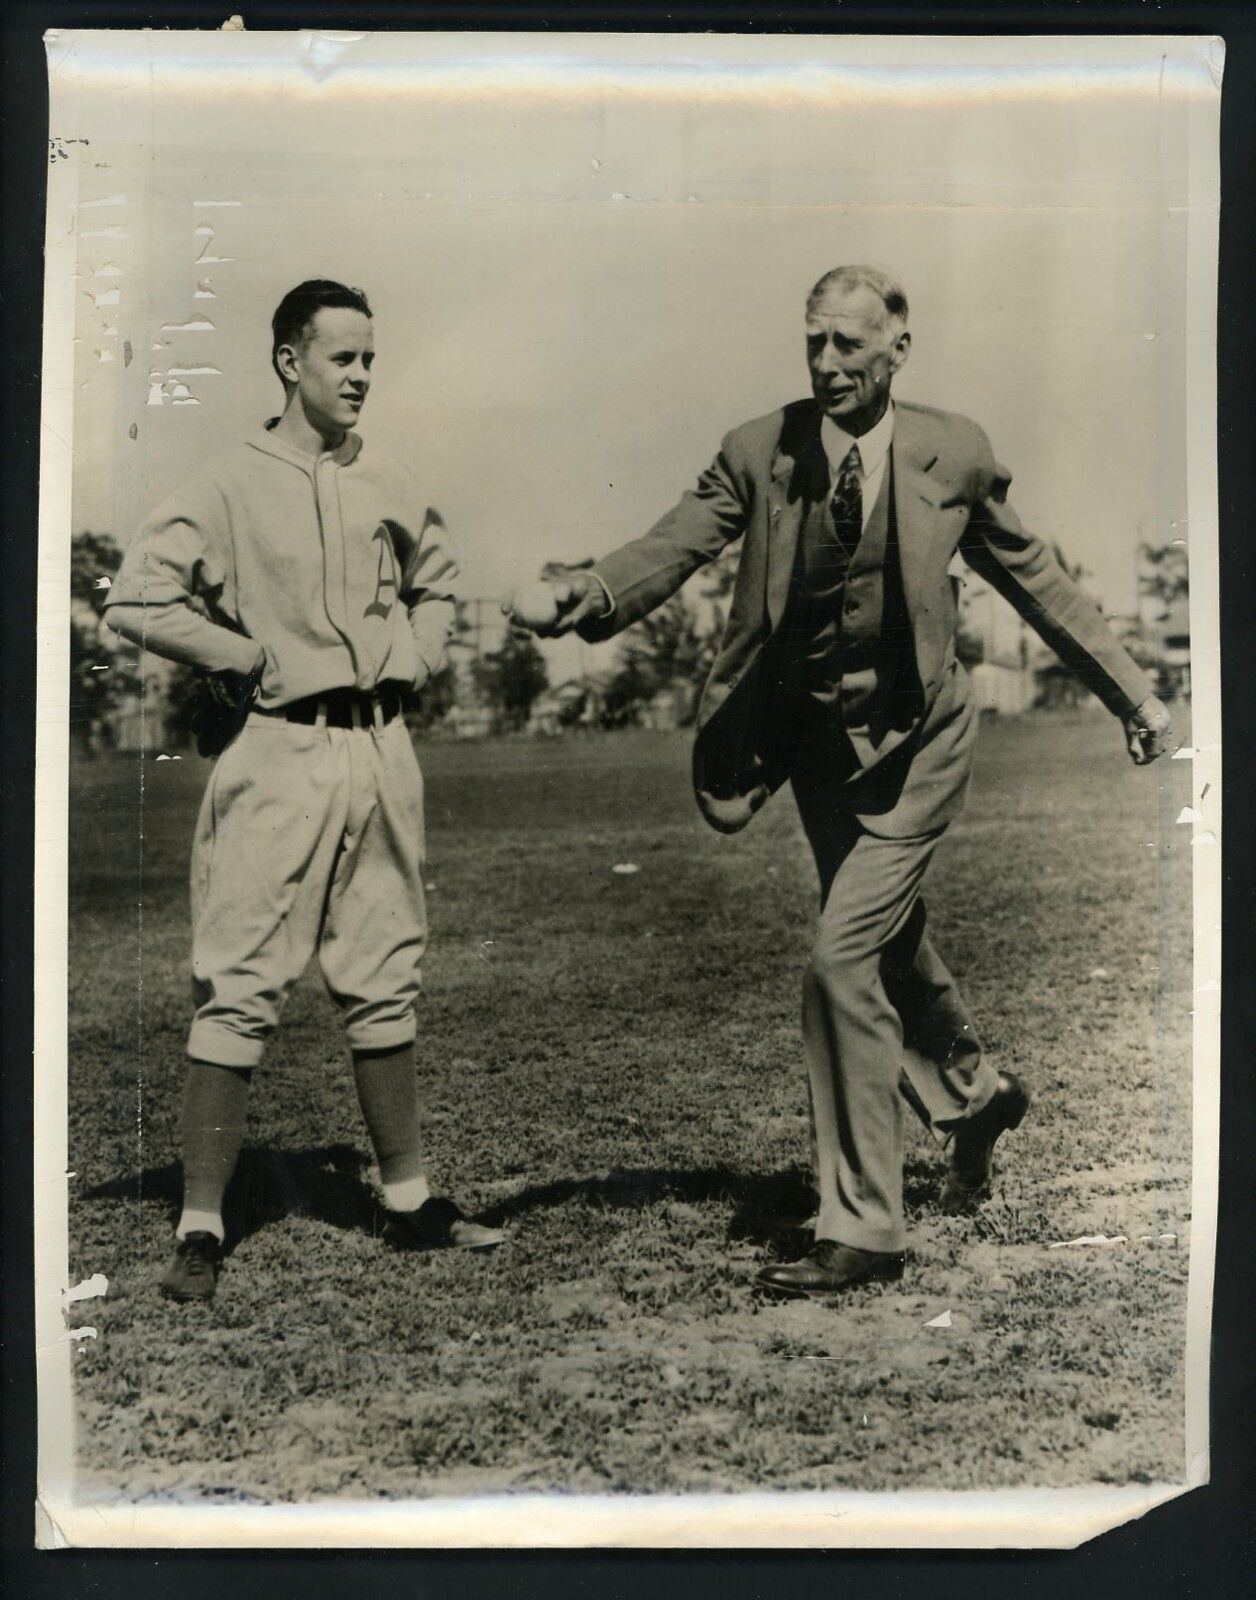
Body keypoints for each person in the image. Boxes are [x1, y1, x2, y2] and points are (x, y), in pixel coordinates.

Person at [507, 264, 1173, 1299]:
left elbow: (1032, 577)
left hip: (921, 746)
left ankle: (862, 1227)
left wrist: (1132, 694)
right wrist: (583, 592)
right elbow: (672, 544)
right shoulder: (755, 451)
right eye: (812, 343)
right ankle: (975, 1094)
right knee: (885, 941)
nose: (825, 364)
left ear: (895, 351)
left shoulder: (953, 451)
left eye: (847, 347)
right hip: (818, 755)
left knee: (837, 957)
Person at [106, 279, 503, 1302]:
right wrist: (237, 650)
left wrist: (413, 655)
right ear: (290, 361)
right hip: (276, 750)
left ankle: (408, 1198)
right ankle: (201, 1222)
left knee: (384, 967)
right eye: (343, 358)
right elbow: (138, 595)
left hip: (379, 748)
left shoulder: (390, 478)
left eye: (371, 358)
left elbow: (439, 579)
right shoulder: (228, 483)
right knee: (238, 976)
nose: (362, 376)